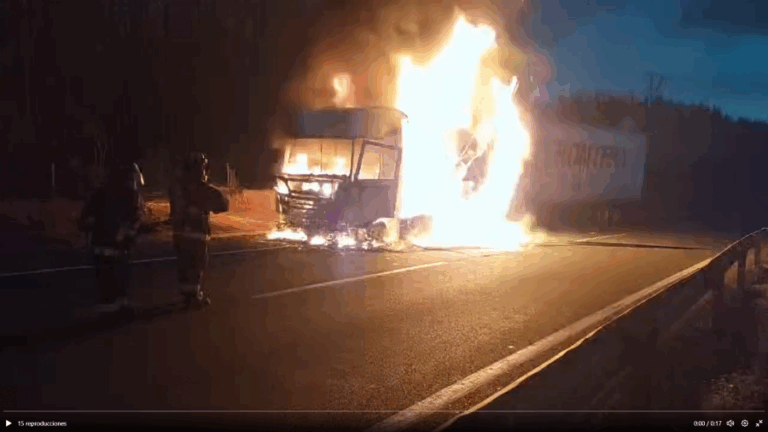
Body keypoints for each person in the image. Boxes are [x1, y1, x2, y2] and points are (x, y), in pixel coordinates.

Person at [79, 162, 145, 313]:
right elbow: (134, 221)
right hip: (117, 248)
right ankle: (114, 311)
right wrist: (125, 237)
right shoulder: (131, 196)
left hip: (98, 247)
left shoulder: (100, 193)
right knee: (118, 278)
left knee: (105, 281)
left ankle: (115, 306)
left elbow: (84, 221)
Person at [170, 152, 229, 302]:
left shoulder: (178, 188)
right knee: (196, 267)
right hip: (196, 236)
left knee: (184, 266)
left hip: (179, 235)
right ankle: (194, 297)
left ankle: (186, 295)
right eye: (203, 168)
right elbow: (223, 204)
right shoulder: (202, 189)